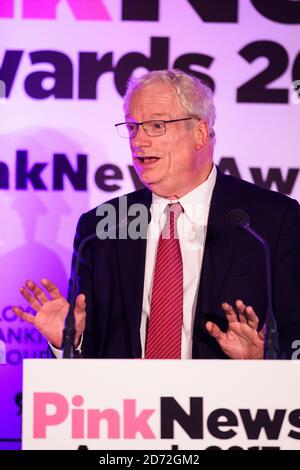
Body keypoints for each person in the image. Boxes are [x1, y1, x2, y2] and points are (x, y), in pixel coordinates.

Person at [13, 69, 300, 360]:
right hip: (125, 403)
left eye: (157, 125)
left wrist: (266, 360)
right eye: (133, 127)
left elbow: (294, 333)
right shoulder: (101, 226)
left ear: (199, 133)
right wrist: (68, 342)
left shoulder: (271, 221)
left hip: (228, 402)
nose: (139, 141)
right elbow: (90, 350)